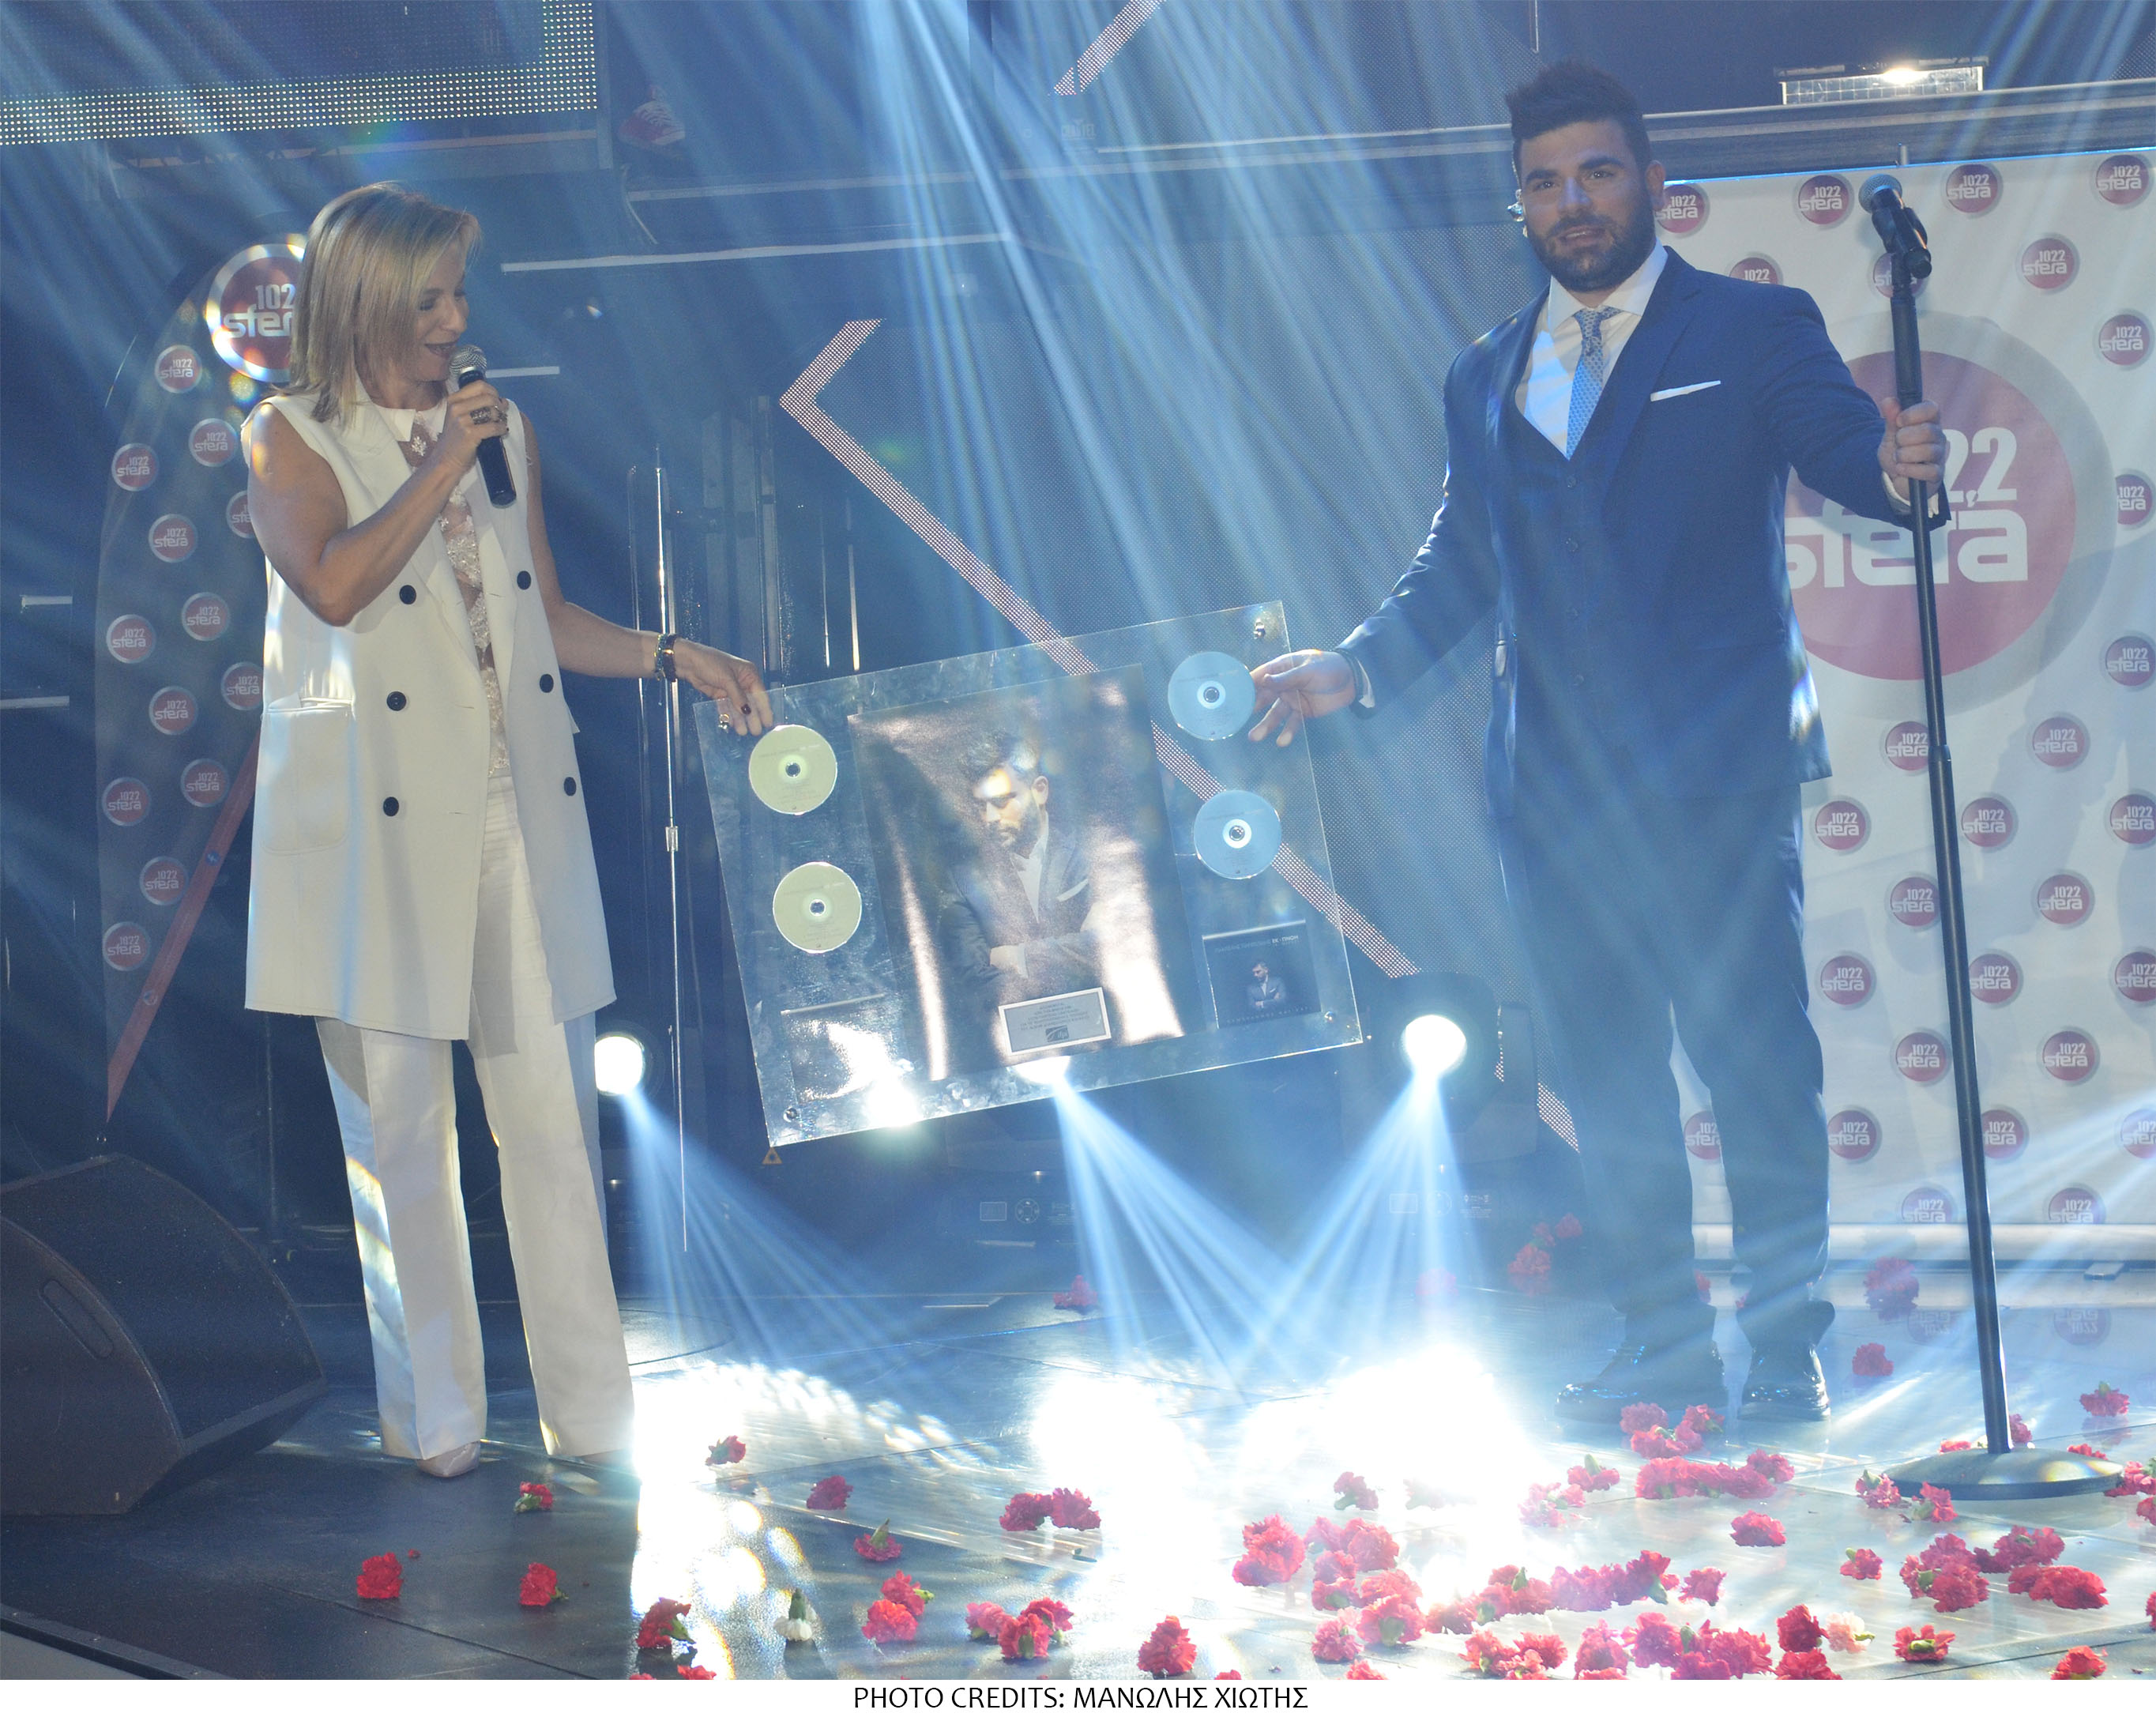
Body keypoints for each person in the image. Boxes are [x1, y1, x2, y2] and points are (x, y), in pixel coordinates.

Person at [1247, 64, 1947, 1424]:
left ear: (1652, 183)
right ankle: (1659, 1343)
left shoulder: (1750, 325)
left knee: (1754, 1072)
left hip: (1716, 781)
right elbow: (1459, 562)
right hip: (1551, 799)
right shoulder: (1483, 371)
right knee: (1609, 1084)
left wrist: (1896, 471)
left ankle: (1784, 1344)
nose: (1572, 202)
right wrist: (1356, 662)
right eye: (1544, 182)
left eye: (1596, 173)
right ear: (1518, 203)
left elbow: (1842, 453)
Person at [243, 183, 772, 1478]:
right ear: (365, 301)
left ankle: (593, 1418)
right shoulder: (288, 434)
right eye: (427, 299)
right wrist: (437, 465)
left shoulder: (503, 428)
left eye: (458, 294)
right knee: (401, 1134)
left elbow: (543, 618)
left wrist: (670, 653)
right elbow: (333, 585)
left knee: (547, 1120)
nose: (453, 320)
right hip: (372, 825)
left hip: (506, 800)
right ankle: (436, 1421)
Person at [937, 733, 1098, 1043]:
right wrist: (1076, 951)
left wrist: (1020, 956)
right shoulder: (963, 881)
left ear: (1039, 791)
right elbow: (974, 978)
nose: (990, 818)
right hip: (1022, 1045)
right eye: (981, 806)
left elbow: (1112, 946)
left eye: (1001, 801)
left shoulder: (1094, 855)